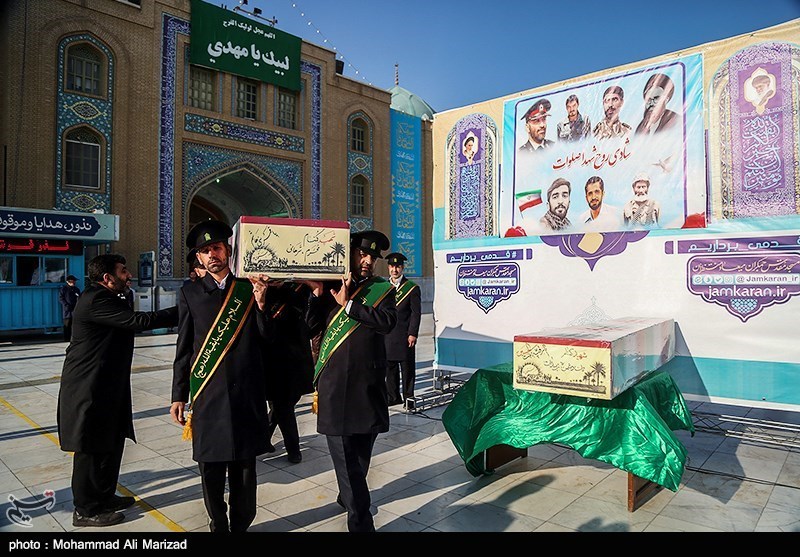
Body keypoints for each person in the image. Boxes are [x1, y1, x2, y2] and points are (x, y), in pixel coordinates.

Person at [56, 254, 178, 528]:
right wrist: (186, 308)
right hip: (88, 386)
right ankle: (86, 509)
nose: (129, 274)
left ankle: (104, 496)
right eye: (123, 271)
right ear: (107, 277)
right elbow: (140, 321)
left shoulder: (109, 296)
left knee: (110, 442)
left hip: (108, 384)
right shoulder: (96, 299)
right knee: (90, 448)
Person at [170, 219, 275, 533]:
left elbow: (268, 339)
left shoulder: (248, 287)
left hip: (246, 394)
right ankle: (218, 523)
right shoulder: (189, 293)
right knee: (211, 468)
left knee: (245, 469)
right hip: (209, 396)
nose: (211, 255)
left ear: (228, 250)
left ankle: (241, 525)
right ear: (199, 258)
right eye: (205, 251)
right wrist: (178, 395)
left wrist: (261, 303)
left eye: (216, 247)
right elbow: (184, 347)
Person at [304, 230, 397, 532]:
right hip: (335, 388)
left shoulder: (381, 289)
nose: (367, 260)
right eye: (362, 254)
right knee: (346, 459)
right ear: (349, 253)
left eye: (372, 257)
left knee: (360, 457)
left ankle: (348, 495)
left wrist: (350, 306)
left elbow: (387, 323)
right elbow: (309, 328)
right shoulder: (330, 286)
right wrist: (316, 295)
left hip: (368, 387)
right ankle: (361, 522)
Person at [263, 281, 315, 464]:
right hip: (270, 360)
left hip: (294, 359)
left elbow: (305, 317)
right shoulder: (261, 291)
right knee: (281, 406)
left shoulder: (299, 289)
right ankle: (291, 448)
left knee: (283, 405)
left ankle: (268, 439)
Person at [383, 252, 421, 408]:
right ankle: (393, 397)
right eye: (392, 266)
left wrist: (412, 333)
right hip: (387, 335)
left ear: (402, 268)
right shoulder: (383, 287)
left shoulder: (411, 288)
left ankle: (408, 398)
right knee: (390, 368)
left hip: (405, 336)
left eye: (398, 266)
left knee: (407, 369)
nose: (394, 270)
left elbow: (416, 313)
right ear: (388, 268)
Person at [58, 275, 81, 342]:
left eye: (74, 281)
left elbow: (79, 298)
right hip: (67, 311)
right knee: (67, 324)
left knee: (74, 325)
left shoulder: (76, 289)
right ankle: (67, 338)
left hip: (75, 309)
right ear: (68, 282)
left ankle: (73, 338)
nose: (74, 282)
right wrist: (66, 305)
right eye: (72, 281)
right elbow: (61, 299)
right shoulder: (63, 289)